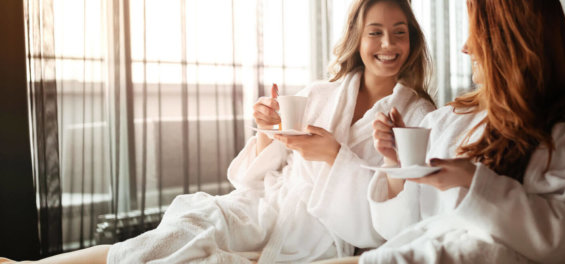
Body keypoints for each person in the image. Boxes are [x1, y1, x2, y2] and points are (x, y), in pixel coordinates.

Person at [3, 0, 435, 263]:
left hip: (320, 232)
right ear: (358, 39)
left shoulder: (417, 114)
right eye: (375, 32)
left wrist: (333, 156)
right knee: (185, 228)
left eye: (399, 33)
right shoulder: (322, 93)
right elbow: (249, 177)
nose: (388, 45)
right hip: (263, 207)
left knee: (191, 252)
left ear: (412, 40)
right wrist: (267, 131)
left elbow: (394, 218)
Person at [321, 0, 565, 263]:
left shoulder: (561, 125)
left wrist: (474, 181)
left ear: (515, 38)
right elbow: (397, 230)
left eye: (478, 34)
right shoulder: (448, 119)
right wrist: (396, 163)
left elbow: (562, 239)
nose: (466, 47)